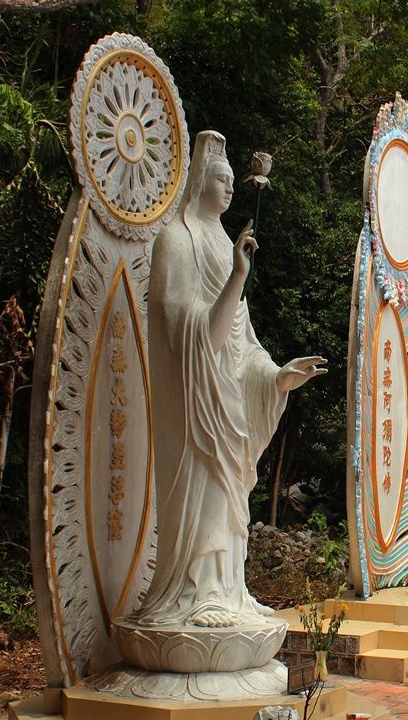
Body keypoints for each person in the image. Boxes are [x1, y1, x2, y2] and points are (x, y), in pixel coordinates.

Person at [130, 130, 326, 631]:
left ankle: (227, 589)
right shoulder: (177, 240)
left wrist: (277, 377)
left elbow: (242, 339)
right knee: (205, 490)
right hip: (196, 398)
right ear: (198, 182)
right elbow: (187, 332)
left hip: (231, 395)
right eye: (219, 178)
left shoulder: (222, 241)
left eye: (233, 180)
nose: (230, 187)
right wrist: (238, 275)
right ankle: (194, 595)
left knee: (231, 495)